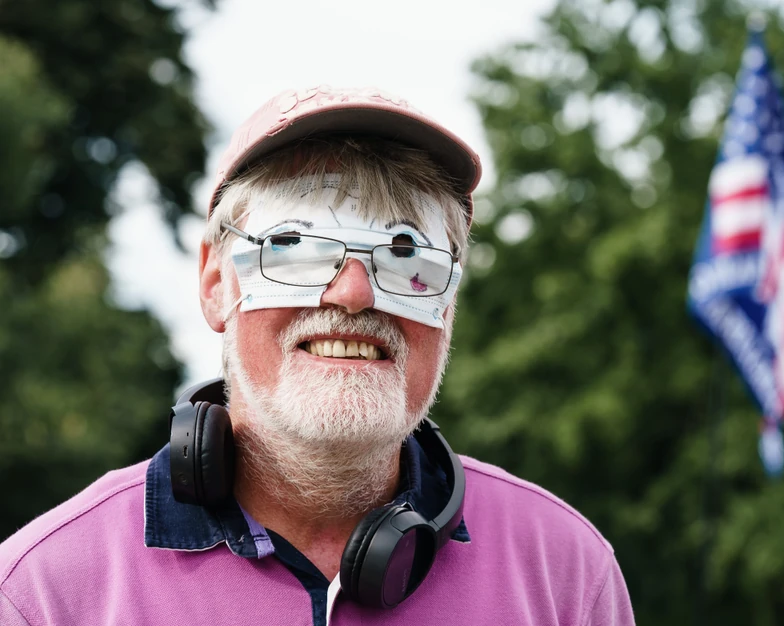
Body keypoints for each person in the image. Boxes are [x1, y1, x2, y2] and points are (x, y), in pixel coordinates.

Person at [0, 86, 634, 625]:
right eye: (295, 245)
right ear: (218, 285)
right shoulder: (44, 594)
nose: (354, 292)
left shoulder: (567, 576)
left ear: (447, 305)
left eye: (405, 254)